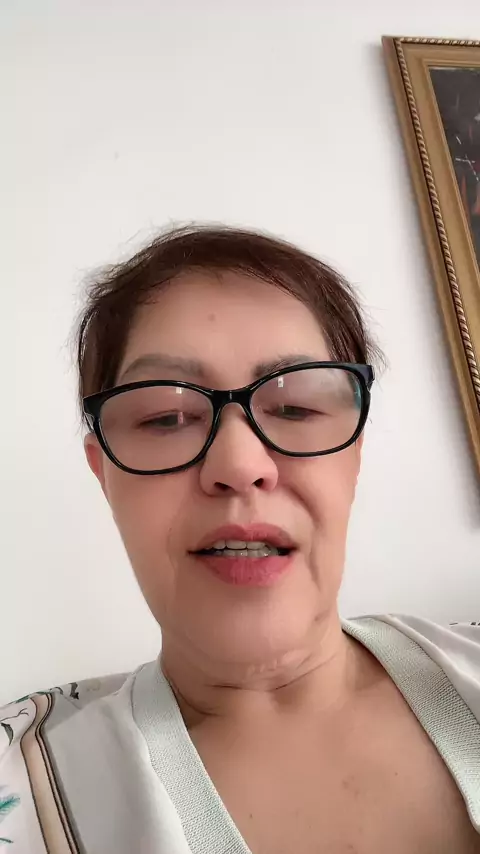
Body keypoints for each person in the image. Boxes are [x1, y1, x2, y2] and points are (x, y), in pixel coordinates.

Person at [1, 226, 479, 854]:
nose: (238, 464)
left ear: (354, 454)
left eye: (296, 407)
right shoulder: (22, 788)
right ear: (104, 474)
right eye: (166, 417)